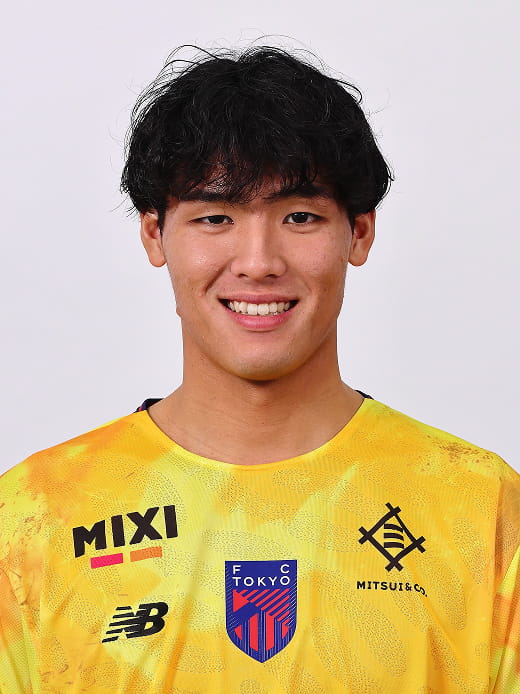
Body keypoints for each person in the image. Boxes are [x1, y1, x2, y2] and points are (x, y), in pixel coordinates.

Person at [0, 44, 518, 694]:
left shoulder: (482, 509)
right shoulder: (34, 518)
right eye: (215, 217)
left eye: (300, 217)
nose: (258, 262)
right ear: (154, 235)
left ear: (359, 232)